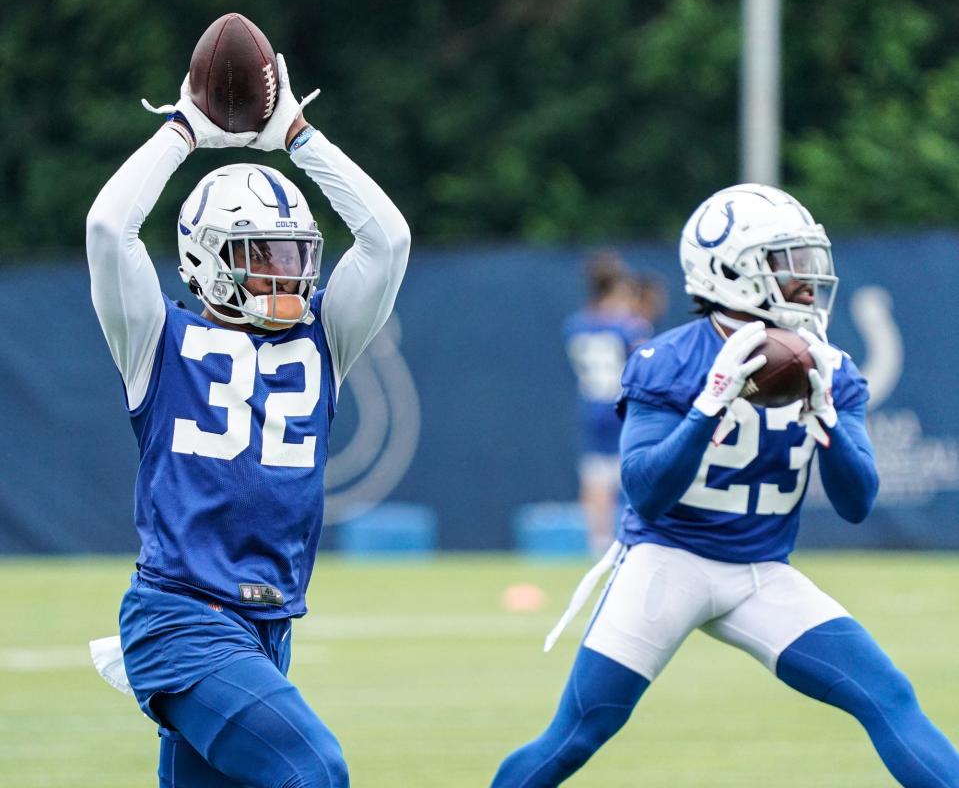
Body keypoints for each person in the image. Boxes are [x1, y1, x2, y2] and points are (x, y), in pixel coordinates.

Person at [492, 184, 959, 787]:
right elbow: (645, 491)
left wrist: (831, 425)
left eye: (808, 257)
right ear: (731, 269)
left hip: (760, 572)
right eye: (787, 260)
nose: (808, 276)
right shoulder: (669, 360)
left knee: (888, 696)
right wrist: (707, 407)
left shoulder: (830, 366)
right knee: (578, 733)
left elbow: (856, 502)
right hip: (667, 562)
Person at [86, 54, 409, 787]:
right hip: (184, 617)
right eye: (258, 255)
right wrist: (184, 131)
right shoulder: (155, 339)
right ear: (203, 260)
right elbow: (110, 229)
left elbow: (386, 240)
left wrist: (297, 134)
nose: (282, 272)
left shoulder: (323, 336)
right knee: (315, 772)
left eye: (294, 254)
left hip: (265, 628)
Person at [563, 252, 652, 555]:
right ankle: (635, 536)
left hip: (592, 404)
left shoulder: (577, 325)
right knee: (632, 469)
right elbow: (644, 364)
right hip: (621, 403)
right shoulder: (629, 326)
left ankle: (598, 541)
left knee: (595, 476)